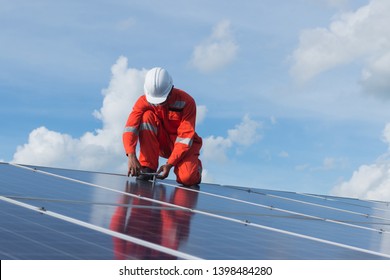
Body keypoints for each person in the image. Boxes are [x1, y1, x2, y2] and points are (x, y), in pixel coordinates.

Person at [122, 67, 202, 186]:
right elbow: (130, 127)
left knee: (188, 178)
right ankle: (147, 166)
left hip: (184, 146)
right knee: (146, 116)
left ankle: (196, 168)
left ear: (171, 89)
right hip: (161, 143)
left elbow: (185, 137)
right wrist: (131, 155)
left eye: (162, 100)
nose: (158, 104)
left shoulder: (187, 102)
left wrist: (169, 164)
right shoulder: (143, 101)